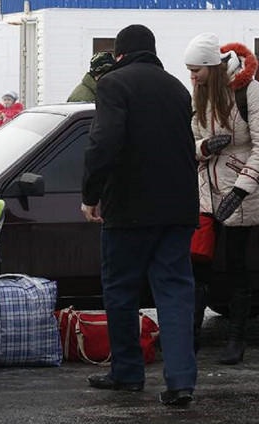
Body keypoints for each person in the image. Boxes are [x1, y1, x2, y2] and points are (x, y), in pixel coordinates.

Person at [80, 24, 199, 407]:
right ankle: (181, 382)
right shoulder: (177, 88)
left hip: (129, 210)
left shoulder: (114, 85)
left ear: (119, 54)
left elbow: (104, 143)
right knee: (176, 295)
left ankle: (128, 373)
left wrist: (90, 195)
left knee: (121, 291)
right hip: (179, 210)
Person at [184, 33, 259, 365]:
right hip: (206, 192)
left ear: (211, 66)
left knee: (237, 266)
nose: (191, 76)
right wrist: (205, 147)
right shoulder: (199, 92)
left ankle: (237, 339)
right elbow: (191, 139)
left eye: (196, 70)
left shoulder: (248, 90)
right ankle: (189, 337)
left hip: (241, 191)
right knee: (197, 264)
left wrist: (240, 190)